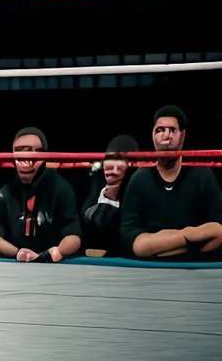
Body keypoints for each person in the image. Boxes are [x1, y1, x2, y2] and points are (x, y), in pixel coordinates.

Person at [121, 107, 222, 260]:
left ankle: (174, 248)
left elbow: (217, 223)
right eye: (160, 130)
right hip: (156, 247)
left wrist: (170, 241)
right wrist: (186, 236)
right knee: (140, 245)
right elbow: (128, 231)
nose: (166, 136)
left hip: (192, 256)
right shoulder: (140, 177)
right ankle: (182, 244)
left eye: (172, 130)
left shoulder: (202, 174)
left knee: (218, 231)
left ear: (182, 136)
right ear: (153, 135)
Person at [0, 127, 81, 263]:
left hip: (53, 266)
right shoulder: (6, 191)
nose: (26, 158)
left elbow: (74, 236)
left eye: (35, 152)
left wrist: (56, 252)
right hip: (15, 265)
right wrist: (18, 253)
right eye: (20, 151)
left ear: (44, 156)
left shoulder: (61, 188)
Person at [80, 133, 139, 256]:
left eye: (120, 161)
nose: (114, 168)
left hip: (126, 253)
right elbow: (86, 219)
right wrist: (107, 198)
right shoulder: (97, 178)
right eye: (111, 160)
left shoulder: (138, 182)